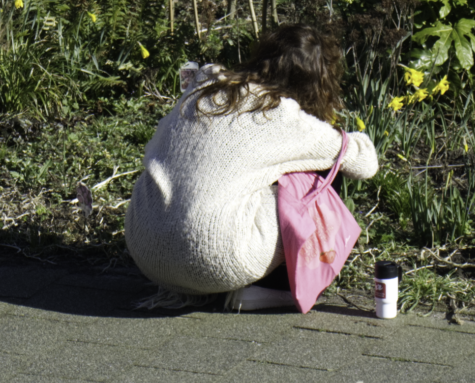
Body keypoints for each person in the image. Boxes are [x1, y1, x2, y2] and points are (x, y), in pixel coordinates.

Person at [125, 24, 378, 310]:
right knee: (319, 174)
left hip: (145, 249)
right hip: (216, 259)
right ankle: (274, 289)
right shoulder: (283, 116)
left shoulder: (206, 82)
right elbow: (365, 162)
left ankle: (193, 279)